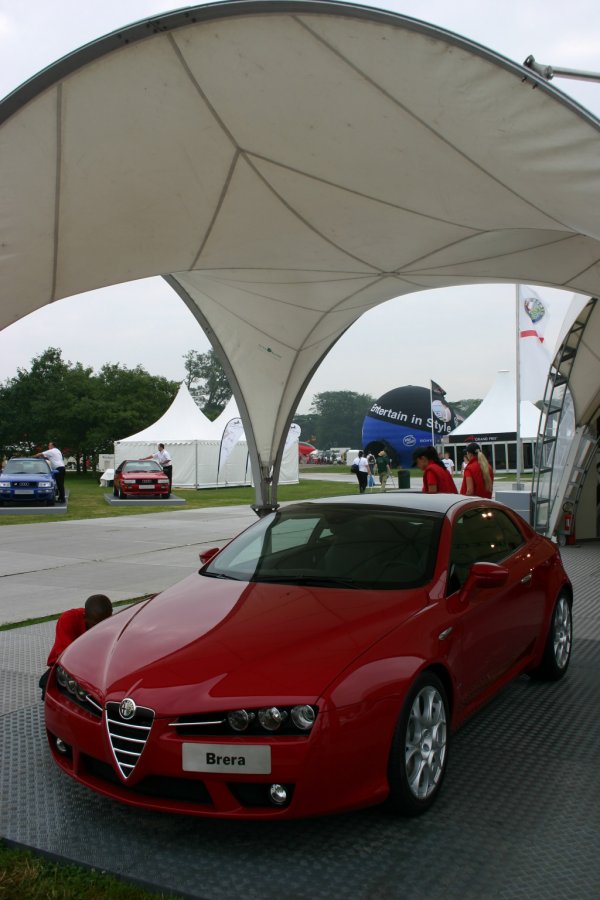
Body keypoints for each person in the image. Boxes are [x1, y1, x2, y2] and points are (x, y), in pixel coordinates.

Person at [39, 594, 113, 699]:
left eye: (103, 624)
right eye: (95, 624)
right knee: (48, 685)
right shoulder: (68, 620)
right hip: (69, 666)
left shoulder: (114, 624)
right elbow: (65, 658)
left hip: (96, 667)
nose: (98, 628)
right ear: (84, 617)